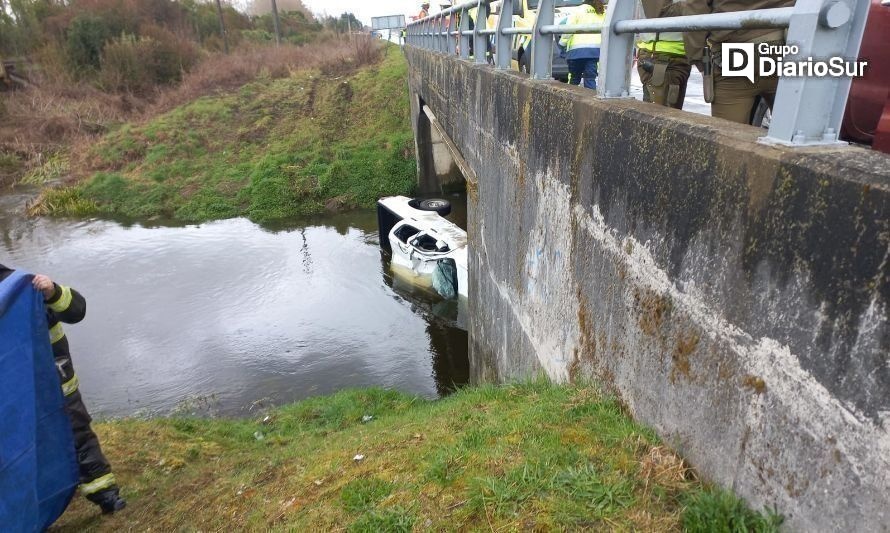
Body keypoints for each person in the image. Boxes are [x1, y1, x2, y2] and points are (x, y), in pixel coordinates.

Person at [0, 264, 126, 515]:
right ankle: (32, 508)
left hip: (59, 384)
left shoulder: (24, 286)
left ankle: (105, 494)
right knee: (23, 449)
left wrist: (52, 291)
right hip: (16, 396)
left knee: (78, 435)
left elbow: (77, 309)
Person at [682, 0, 795, 123]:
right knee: (794, 131)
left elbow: (694, 6)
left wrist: (699, 59)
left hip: (735, 53)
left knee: (729, 134)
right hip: (785, 46)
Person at [636, 0, 691, 109]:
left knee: (667, 116)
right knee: (660, 116)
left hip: (676, 57)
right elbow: (657, 11)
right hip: (662, 57)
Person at [558, 0, 606, 90]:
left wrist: (562, 44)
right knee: (590, 78)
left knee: (574, 78)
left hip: (576, 52)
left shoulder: (578, 10)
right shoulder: (601, 12)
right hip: (594, 52)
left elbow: (568, 29)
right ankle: (590, 100)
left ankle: (570, 99)